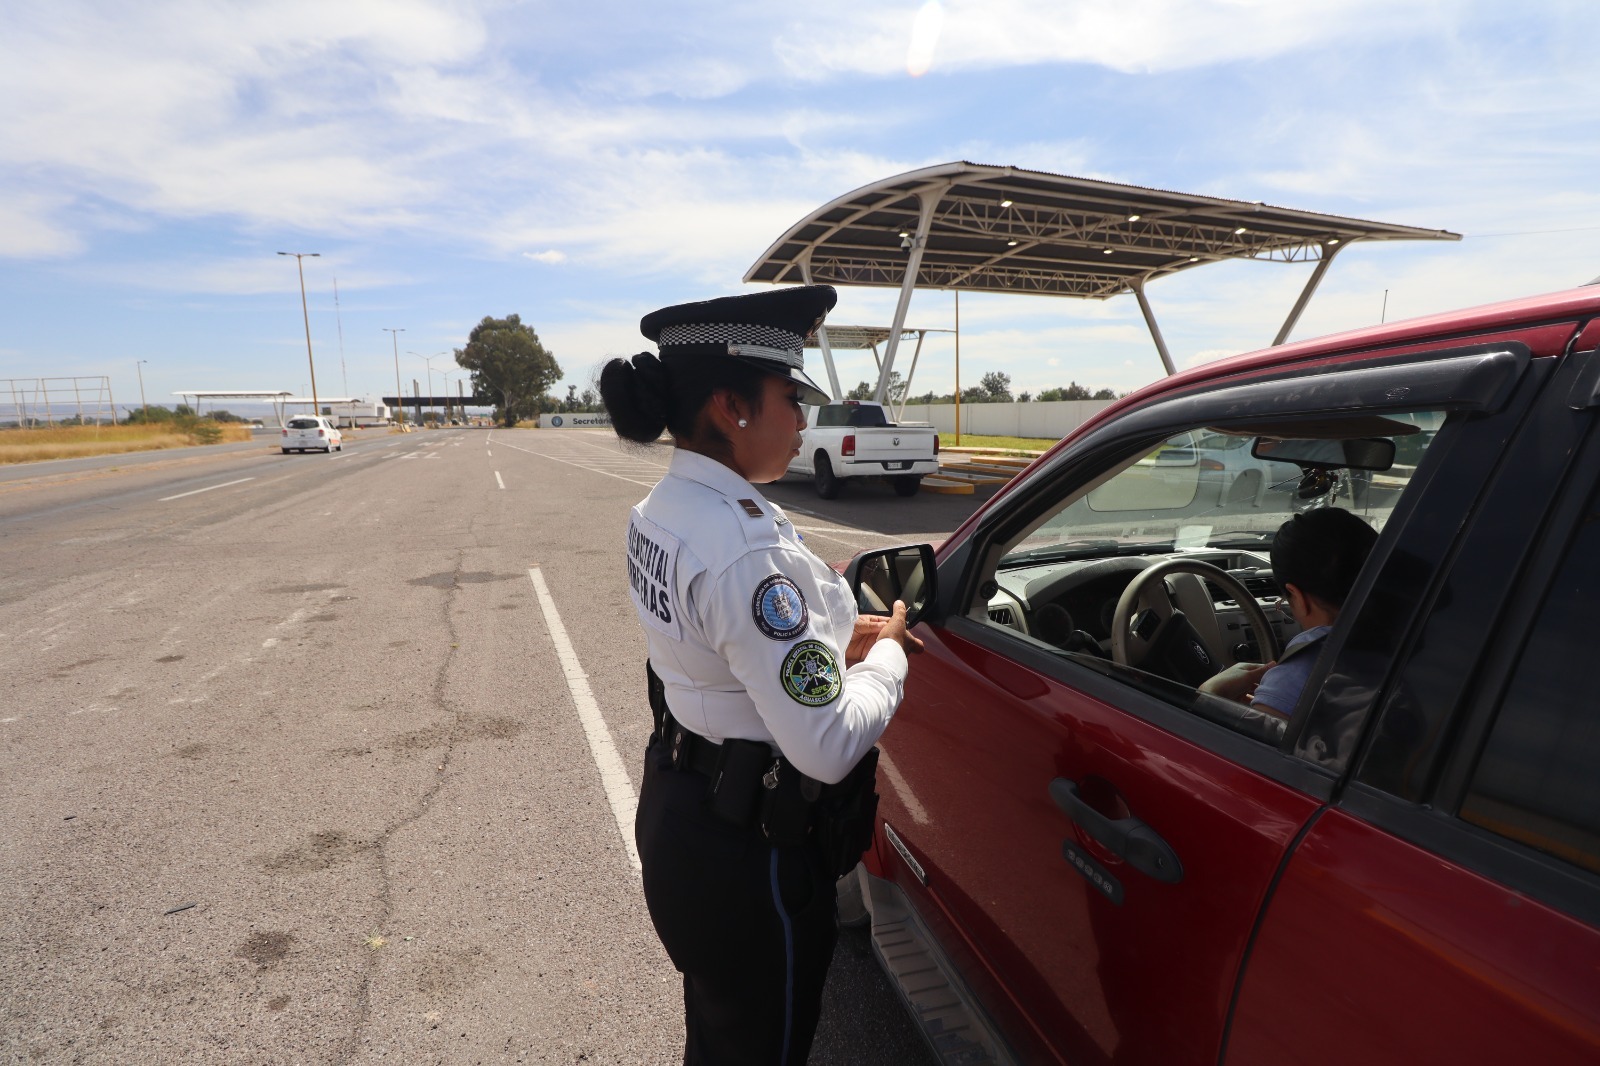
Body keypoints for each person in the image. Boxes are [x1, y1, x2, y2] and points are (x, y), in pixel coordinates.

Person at [600, 284, 923, 1065]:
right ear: (731, 405)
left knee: (719, 1038)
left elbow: (727, 648)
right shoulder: (748, 550)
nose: (805, 419)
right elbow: (825, 744)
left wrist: (836, 635)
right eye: (792, 396)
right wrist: (890, 657)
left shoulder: (667, 507)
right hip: (752, 863)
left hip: (685, 814)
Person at [1200, 507, 1378, 716]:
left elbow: (1245, 746)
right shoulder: (1416, 635)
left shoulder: (1293, 680)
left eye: (1286, 598)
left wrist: (1208, 696)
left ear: (1298, 596)